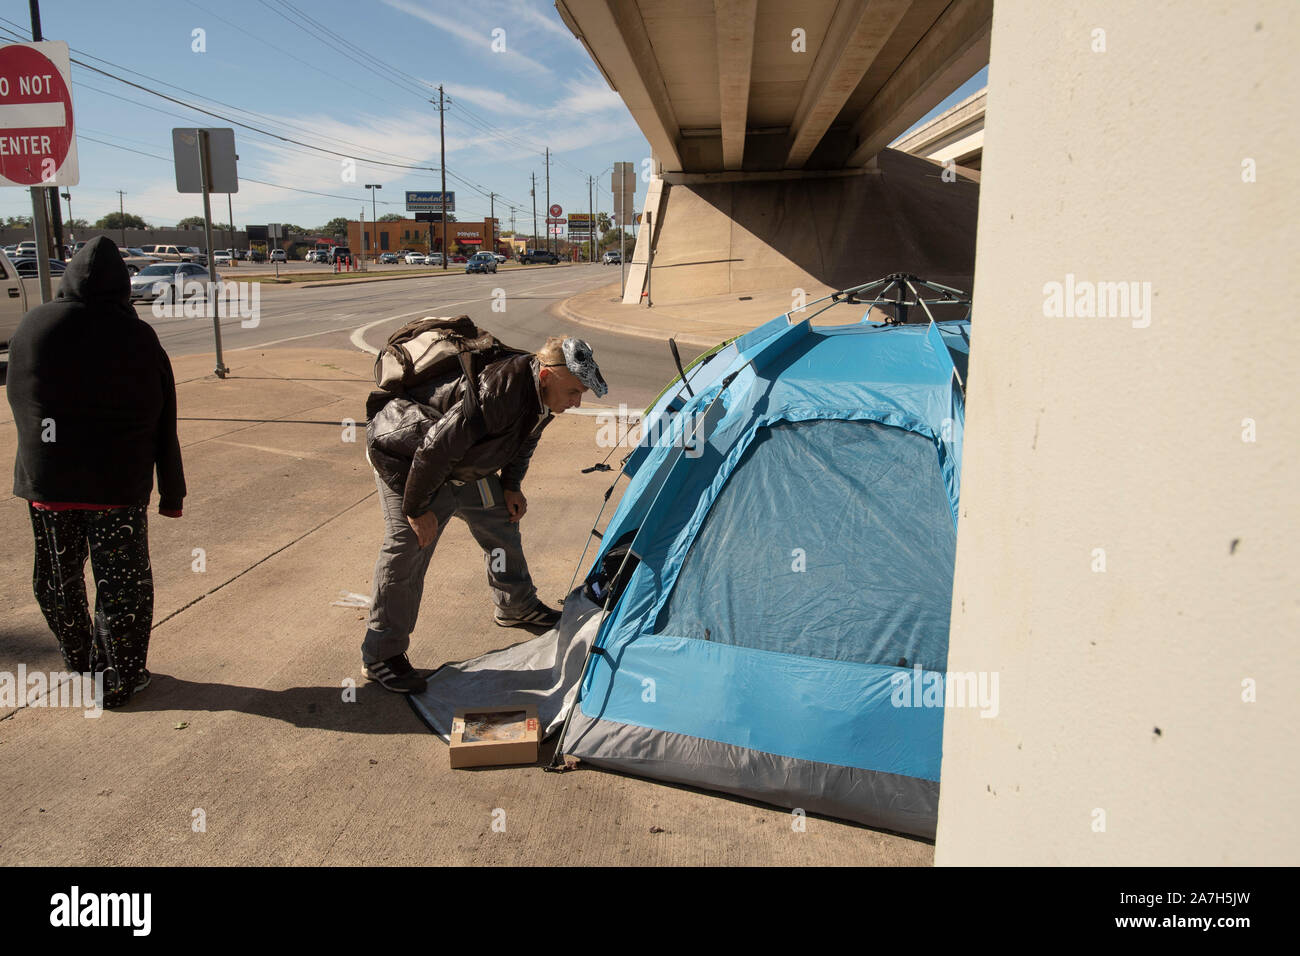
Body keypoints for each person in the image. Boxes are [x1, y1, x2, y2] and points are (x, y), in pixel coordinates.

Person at [362, 335, 607, 693]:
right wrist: (415, 509)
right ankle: (382, 655)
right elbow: (433, 451)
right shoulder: (499, 392)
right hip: (407, 456)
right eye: (574, 391)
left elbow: (524, 439)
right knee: (407, 550)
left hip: (459, 462)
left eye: (581, 393)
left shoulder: (543, 396)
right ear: (546, 377)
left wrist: (510, 485)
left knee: (500, 521)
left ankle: (515, 605)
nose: (576, 401)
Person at [5, 236, 185, 708]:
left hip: (49, 486)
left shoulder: (35, 324)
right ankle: (121, 678)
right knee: (122, 586)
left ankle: (79, 661)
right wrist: (171, 492)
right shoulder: (136, 336)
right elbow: (163, 416)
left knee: (57, 580)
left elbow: (20, 399)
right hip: (116, 490)